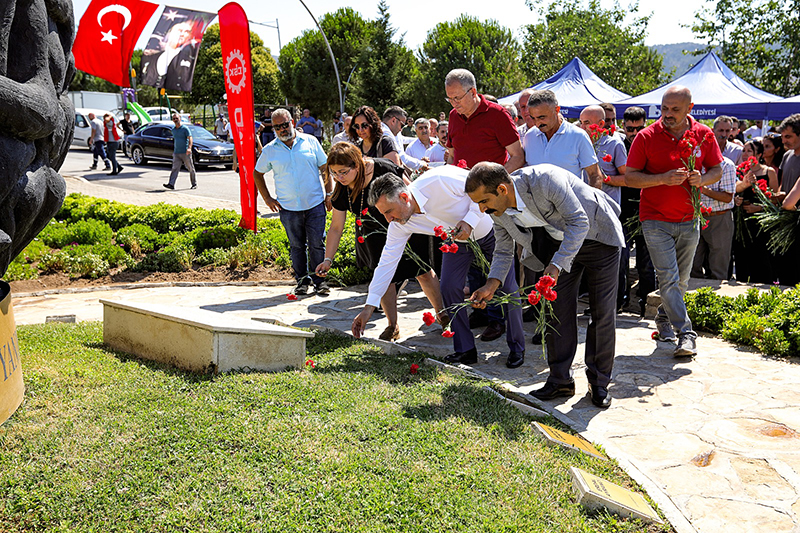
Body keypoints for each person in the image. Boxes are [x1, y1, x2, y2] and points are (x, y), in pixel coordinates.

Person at [465, 162, 624, 408]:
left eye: (483, 201)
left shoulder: (544, 180)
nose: (481, 208)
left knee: (601, 313)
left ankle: (599, 383)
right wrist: (491, 285)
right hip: (560, 246)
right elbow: (504, 250)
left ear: (503, 190)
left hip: (598, 237)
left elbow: (579, 222)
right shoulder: (497, 211)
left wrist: (557, 265)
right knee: (556, 313)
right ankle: (560, 380)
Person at [352, 166, 526, 368]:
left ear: (404, 197)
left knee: (508, 287)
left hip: (490, 232)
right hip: (457, 244)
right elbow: (386, 265)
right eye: (383, 214)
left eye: (389, 211)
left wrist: (468, 222)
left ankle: (516, 348)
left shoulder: (439, 179)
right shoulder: (400, 224)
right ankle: (465, 350)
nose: (388, 219)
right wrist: (368, 308)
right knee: (449, 287)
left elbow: (479, 192)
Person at [625, 86, 723, 357]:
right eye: (664, 108)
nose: (667, 114)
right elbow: (631, 177)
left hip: (690, 218)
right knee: (668, 277)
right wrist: (661, 178)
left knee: (680, 281)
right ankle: (686, 334)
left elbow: (716, 169)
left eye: (674, 110)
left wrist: (702, 179)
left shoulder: (704, 134)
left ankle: (664, 318)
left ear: (690, 109)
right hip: (654, 218)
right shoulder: (646, 136)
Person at [315, 143, 445, 340]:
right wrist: (328, 259)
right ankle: (392, 325)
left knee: (422, 271)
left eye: (343, 172)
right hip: (372, 234)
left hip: (405, 224)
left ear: (357, 165)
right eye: (334, 173)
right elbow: (336, 227)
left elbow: (410, 194)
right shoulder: (341, 189)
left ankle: (442, 314)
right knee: (385, 278)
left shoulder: (383, 168)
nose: (339, 178)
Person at [254, 108, 332, 296]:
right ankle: (302, 281)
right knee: (296, 246)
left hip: (314, 204)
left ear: (293, 122)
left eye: (284, 124)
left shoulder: (311, 142)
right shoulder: (270, 150)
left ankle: (320, 281)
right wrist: (267, 198)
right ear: (273, 129)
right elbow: (257, 173)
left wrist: (329, 193)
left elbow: (325, 167)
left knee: (316, 244)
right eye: (277, 127)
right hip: (288, 207)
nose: (282, 129)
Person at [445, 68, 524, 173]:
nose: (454, 104)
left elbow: (518, 156)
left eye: (457, 98)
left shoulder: (497, 114)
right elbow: (452, 155)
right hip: (459, 186)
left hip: (490, 187)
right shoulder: (453, 116)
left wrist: (495, 180)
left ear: (473, 92)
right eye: (450, 99)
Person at [522, 90, 605, 188]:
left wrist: (590, 202)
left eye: (542, 117)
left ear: (557, 110)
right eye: (533, 118)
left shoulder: (578, 136)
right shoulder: (529, 136)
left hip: (571, 202)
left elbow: (595, 175)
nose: (537, 123)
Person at [618, 106, 656, 315]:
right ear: (623, 127)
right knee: (621, 261)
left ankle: (646, 303)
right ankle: (620, 302)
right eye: (630, 128)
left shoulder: (650, 145)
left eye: (638, 128)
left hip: (648, 213)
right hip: (623, 213)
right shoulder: (618, 146)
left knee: (646, 264)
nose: (634, 133)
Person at [732, 139, 779, 283]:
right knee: (742, 258)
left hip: (761, 225)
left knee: (761, 260)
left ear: (759, 154)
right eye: (744, 151)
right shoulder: (739, 170)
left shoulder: (768, 172)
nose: (745, 154)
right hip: (742, 224)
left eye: (749, 151)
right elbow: (732, 192)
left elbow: (775, 200)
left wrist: (758, 208)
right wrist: (736, 200)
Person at [690, 150, 736, 280]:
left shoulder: (726, 165)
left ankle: (715, 298)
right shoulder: (692, 164)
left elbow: (727, 197)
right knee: (692, 263)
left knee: (718, 266)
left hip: (719, 218)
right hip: (694, 217)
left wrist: (702, 187)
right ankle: (693, 297)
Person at [578, 105, 626, 205]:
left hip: (607, 208)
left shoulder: (614, 145)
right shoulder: (577, 143)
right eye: (580, 123)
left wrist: (601, 178)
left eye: (586, 123)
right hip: (582, 206)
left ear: (600, 124)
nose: (582, 127)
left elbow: (627, 178)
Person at [774, 114, 800, 285]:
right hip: (786, 218)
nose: (784, 141)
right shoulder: (787, 156)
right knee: (785, 269)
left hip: (797, 217)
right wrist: (778, 195)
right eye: (783, 137)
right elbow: (782, 186)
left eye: (789, 136)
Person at [381, 106, 425, 171]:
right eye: (401, 125)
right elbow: (401, 157)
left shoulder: (387, 131)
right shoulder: (385, 134)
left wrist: (419, 139)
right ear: (393, 120)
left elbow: (402, 139)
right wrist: (421, 164)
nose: (401, 129)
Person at [163, 113, 196, 190]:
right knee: (175, 168)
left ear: (180, 119)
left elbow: (190, 138)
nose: (175, 120)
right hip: (176, 153)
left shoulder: (185, 128)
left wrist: (189, 148)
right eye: (174, 119)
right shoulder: (173, 130)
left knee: (190, 168)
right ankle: (171, 184)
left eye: (176, 118)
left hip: (185, 152)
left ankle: (194, 183)